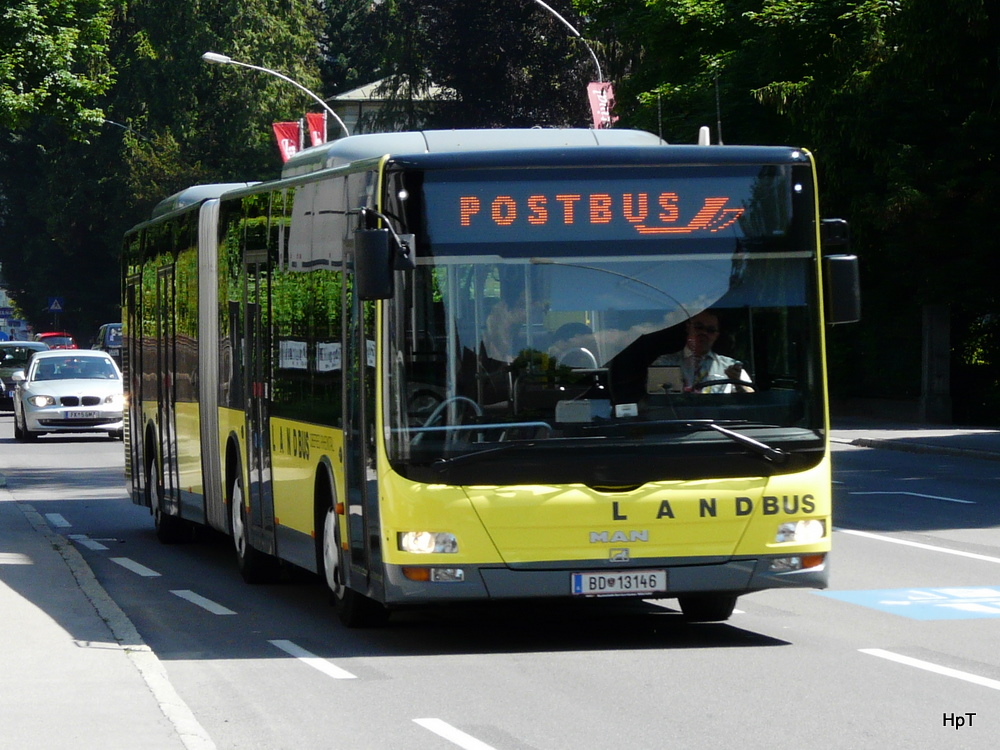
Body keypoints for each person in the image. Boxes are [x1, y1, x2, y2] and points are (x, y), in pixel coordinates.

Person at [650, 310, 752, 393]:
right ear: (688, 327)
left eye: (710, 330)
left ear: (716, 335)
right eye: (699, 327)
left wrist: (738, 383)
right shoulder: (665, 363)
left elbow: (752, 399)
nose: (704, 333)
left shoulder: (731, 367)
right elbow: (656, 401)